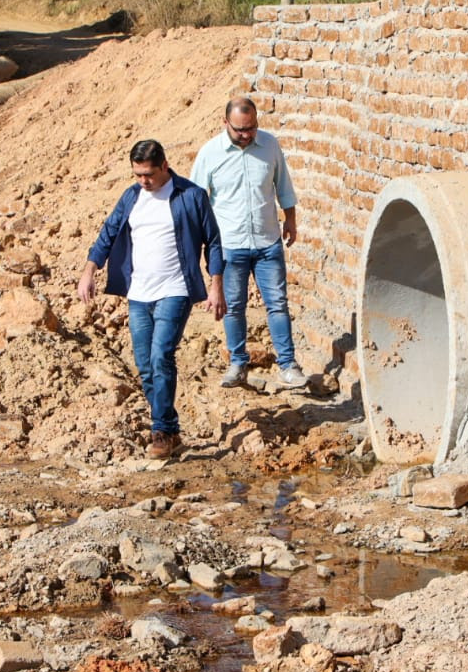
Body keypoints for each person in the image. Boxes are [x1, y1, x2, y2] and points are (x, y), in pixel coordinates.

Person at [78, 140, 225, 459]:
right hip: (139, 292)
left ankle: (160, 431)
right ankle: (170, 429)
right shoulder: (132, 196)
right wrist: (90, 270)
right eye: (137, 175)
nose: (143, 181)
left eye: (147, 174)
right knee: (144, 364)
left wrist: (216, 285)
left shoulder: (191, 196)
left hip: (175, 288)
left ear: (164, 166)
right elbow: (108, 232)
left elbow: (213, 242)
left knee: (161, 354)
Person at [190, 97, 308, 389]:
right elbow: (196, 199)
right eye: (240, 130)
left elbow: (283, 185)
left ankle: (288, 365)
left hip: (268, 242)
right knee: (233, 306)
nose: (246, 135)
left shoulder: (269, 146)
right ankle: (238, 363)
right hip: (230, 244)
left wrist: (290, 219)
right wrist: (201, 241)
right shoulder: (210, 153)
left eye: (252, 128)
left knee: (277, 304)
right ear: (225, 122)